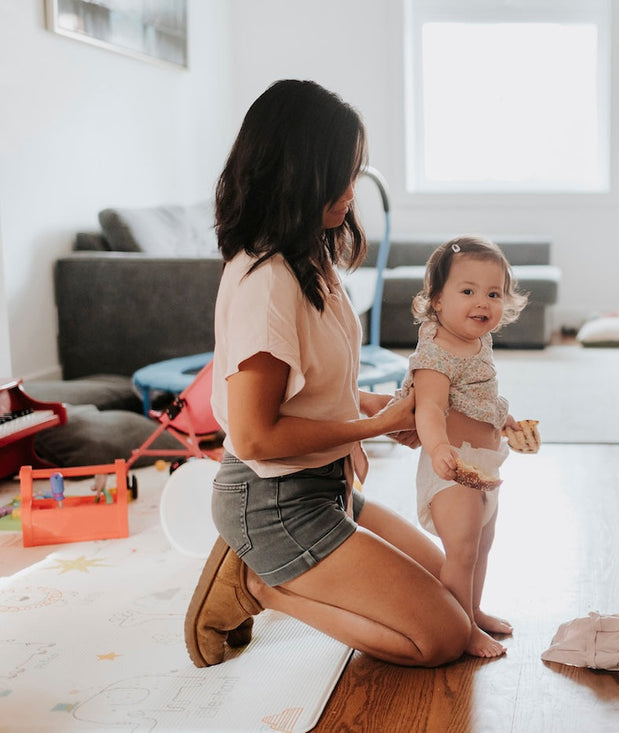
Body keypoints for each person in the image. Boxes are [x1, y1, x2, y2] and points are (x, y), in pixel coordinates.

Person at [184, 79, 470, 669]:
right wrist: (372, 429)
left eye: (355, 170)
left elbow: (312, 392)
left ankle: (274, 568)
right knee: (443, 636)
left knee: (455, 581)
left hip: (322, 486)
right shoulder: (265, 282)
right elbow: (258, 435)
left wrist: (381, 408)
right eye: (339, 172)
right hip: (273, 501)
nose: (350, 188)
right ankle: (259, 586)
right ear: (295, 173)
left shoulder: (309, 255)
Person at [395, 235, 528, 657]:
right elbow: (430, 410)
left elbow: (480, 397)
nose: (482, 303)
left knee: (482, 544)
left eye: (493, 293)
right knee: (462, 550)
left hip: (485, 464)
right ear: (436, 299)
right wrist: (437, 450)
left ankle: (472, 610)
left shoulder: (478, 341)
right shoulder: (435, 354)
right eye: (467, 291)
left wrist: (503, 420)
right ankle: (460, 628)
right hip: (451, 467)